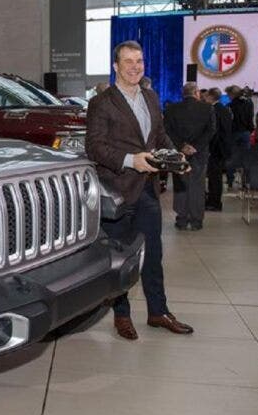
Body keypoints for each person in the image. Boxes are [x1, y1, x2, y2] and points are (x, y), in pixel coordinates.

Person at [86, 40, 193, 340]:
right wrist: (132, 160)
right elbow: (95, 147)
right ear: (115, 67)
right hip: (118, 191)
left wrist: (175, 156)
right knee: (121, 258)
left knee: (154, 255)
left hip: (147, 191)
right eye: (128, 61)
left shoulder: (151, 96)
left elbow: (158, 136)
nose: (135, 67)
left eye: (140, 61)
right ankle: (122, 316)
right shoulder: (102, 102)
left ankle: (158, 311)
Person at [164, 83, 215, 230]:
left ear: (183, 93)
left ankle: (181, 219)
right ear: (196, 93)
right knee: (198, 187)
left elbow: (167, 130)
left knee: (180, 185)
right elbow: (211, 130)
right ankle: (196, 221)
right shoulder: (207, 108)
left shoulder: (171, 109)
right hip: (200, 154)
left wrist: (182, 146)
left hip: (179, 153)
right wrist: (196, 147)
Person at [204, 88, 233, 212]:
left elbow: (214, 131)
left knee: (214, 177)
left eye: (206, 96)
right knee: (216, 176)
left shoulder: (213, 110)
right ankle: (214, 200)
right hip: (223, 147)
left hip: (216, 148)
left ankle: (214, 203)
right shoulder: (225, 109)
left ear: (211, 97)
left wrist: (209, 147)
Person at [225, 85, 254, 188]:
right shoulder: (249, 103)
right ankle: (246, 182)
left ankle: (230, 181)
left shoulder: (230, 105)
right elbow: (250, 118)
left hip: (234, 133)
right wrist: (250, 130)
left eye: (228, 95)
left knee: (231, 158)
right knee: (246, 158)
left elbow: (228, 121)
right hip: (246, 133)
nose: (228, 97)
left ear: (232, 94)